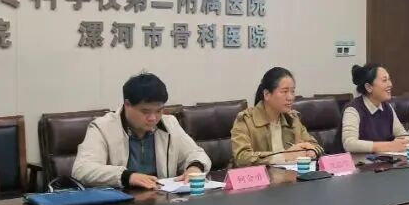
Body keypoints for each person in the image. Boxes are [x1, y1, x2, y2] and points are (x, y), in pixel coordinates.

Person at [72, 72, 211, 189]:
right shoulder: (103, 127)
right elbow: (82, 169)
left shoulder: (169, 123)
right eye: (145, 111)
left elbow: (196, 153)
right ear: (127, 104)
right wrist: (127, 176)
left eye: (159, 110)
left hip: (162, 201)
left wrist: (194, 168)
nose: (153, 118)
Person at [232, 67, 324, 166]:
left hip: (291, 174)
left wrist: (312, 151)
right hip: (263, 175)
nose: (290, 97)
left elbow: (316, 146)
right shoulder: (246, 120)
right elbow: (242, 158)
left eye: (292, 91)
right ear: (267, 94)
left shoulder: (292, 119)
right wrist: (284, 156)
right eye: (284, 92)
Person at [341, 63, 409, 154]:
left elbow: (404, 136)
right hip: (358, 162)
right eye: (384, 80)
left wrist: (403, 142)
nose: (390, 84)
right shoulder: (353, 110)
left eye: (389, 79)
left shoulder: (387, 108)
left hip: (383, 160)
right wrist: (389, 146)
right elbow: (349, 144)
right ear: (369, 87)